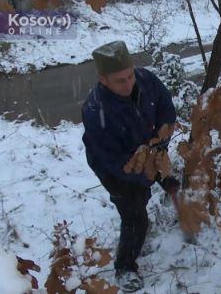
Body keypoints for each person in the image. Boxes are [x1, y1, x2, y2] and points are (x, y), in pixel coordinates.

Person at [81, 40, 179, 292]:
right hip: (114, 167)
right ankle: (125, 266)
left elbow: (167, 112)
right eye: (120, 81)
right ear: (103, 80)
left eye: (129, 76)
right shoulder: (97, 111)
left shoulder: (146, 79)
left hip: (148, 148)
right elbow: (116, 161)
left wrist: (160, 149)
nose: (128, 84)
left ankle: (143, 211)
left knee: (157, 187)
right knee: (134, 215)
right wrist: (151, 175)